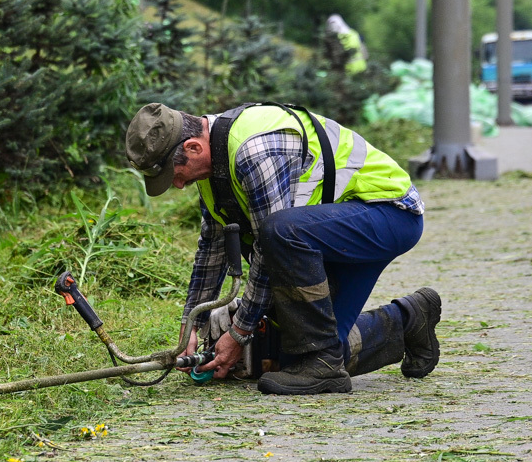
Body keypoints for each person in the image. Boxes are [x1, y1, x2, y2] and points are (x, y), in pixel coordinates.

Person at [125, 102, 441, 395]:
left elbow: (269, 246)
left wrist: (238, 333)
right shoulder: (211, 167)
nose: (178, 185)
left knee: (280, 231)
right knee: (296, 360)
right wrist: (191, 326)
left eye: (175, 176)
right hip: (332, 232)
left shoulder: (253, 152)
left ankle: (323, 362)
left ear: (193, 148)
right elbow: (213, 250)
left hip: (388, 214)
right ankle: (409, 319)